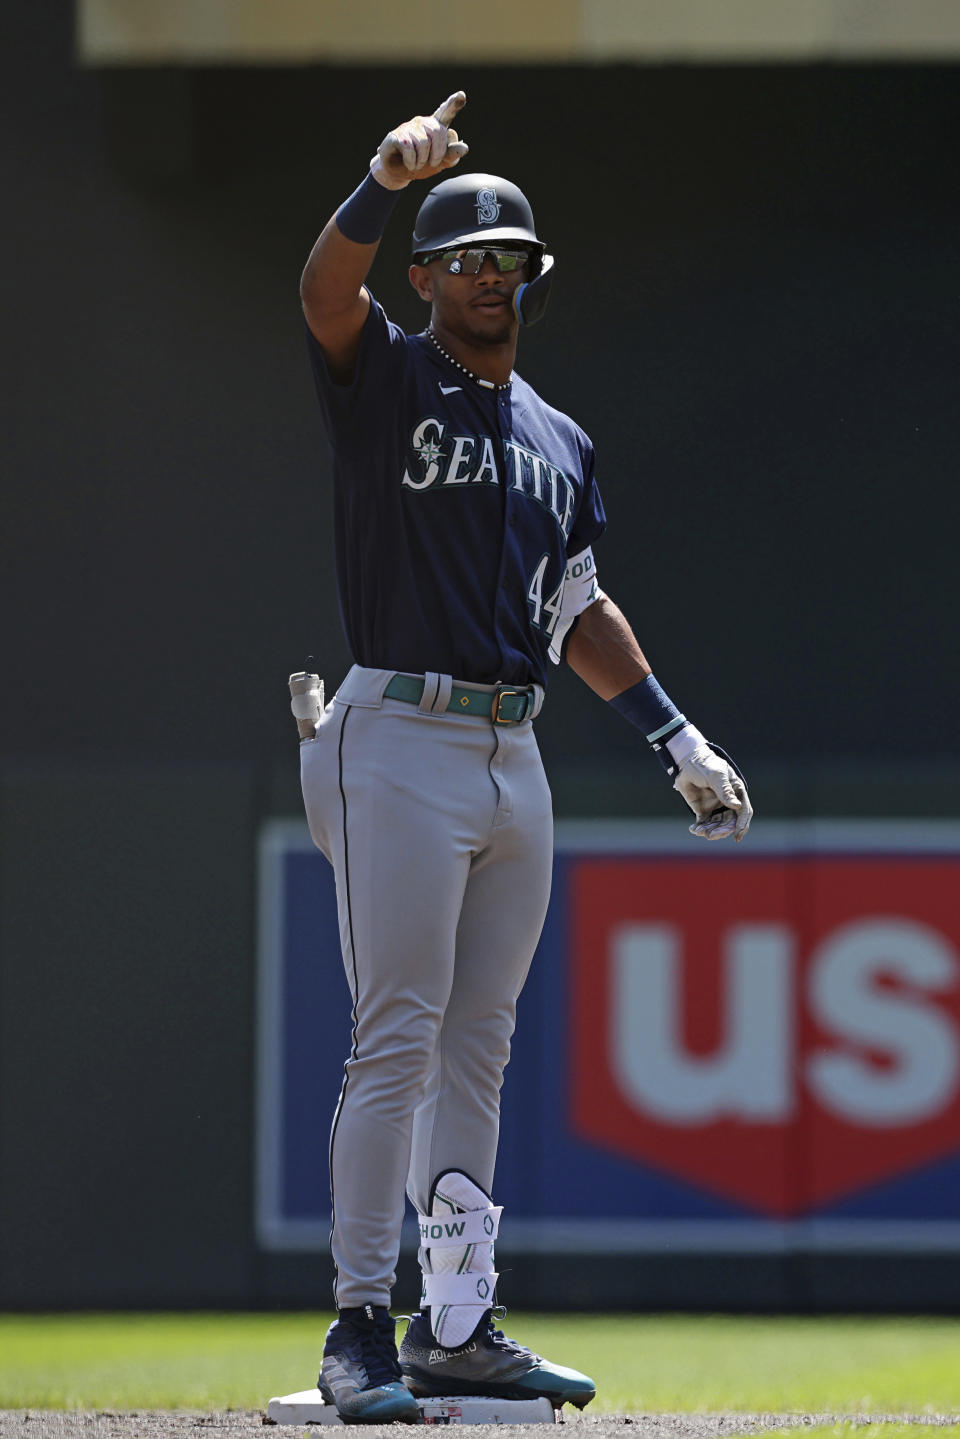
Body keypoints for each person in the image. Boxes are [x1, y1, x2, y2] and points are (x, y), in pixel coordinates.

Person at [296, 90, 753, 1424]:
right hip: (396, 731)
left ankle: (456, 1323)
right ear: (428, 275)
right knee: (394, 1041)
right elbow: (325, 295)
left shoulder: (559, 436)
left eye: (511, 259)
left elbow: (577, 609)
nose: (491, 276)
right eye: (467, 258)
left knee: (478, 1050)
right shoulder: (386, 373)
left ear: (529, 280)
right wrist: (380, 187)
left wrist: (674, 732)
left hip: (514, 747)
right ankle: (358, 1327)